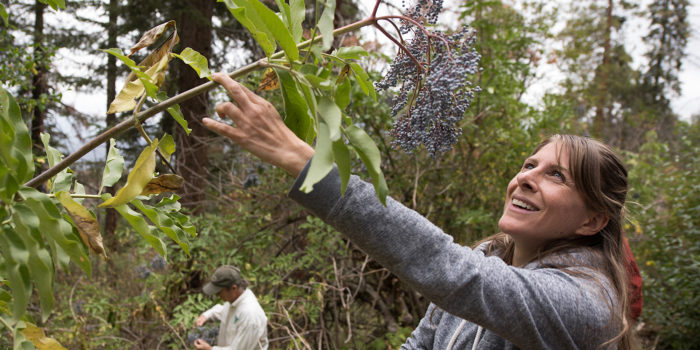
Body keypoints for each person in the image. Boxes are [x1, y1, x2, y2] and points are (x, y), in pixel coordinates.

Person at [202, 72, 637, 349]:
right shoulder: (488, 255)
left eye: (557, 176)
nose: (525, 178)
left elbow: (449, 269)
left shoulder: (586, 304)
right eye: (528, 165)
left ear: (592, 220)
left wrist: (306, 162)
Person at [193, 265, 269, 350]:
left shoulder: (250, 315)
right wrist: (205, 316)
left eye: (219, 291)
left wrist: (210, 349)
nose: (217, 295)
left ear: (233, 288)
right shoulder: (234, 299)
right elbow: (224, 310)